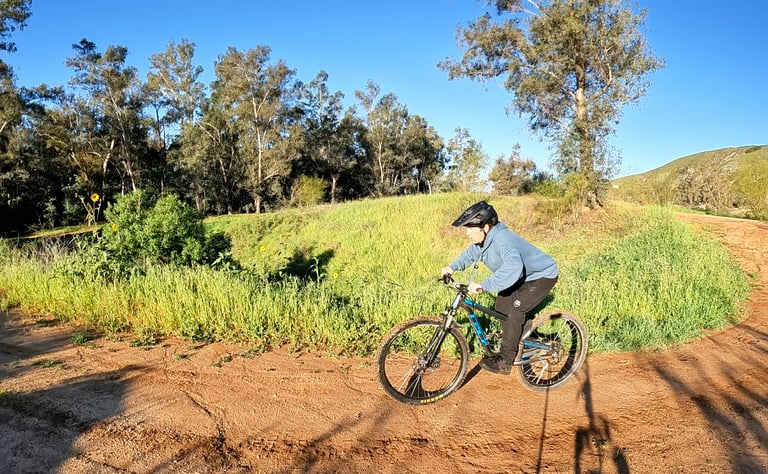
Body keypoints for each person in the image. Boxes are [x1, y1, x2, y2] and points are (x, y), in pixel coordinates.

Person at [441, 200, 559, 375]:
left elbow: (513, 266)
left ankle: (505, 361)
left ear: (486, 227)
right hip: (521, 277)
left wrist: (484, 285)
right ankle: (524, 340)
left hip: (541, 276)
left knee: (514, 312)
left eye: (471, 228)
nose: (467, 233)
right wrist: (452, 267)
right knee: (501, 308)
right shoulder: (484, 242)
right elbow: (471, 254)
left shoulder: (502, 240)